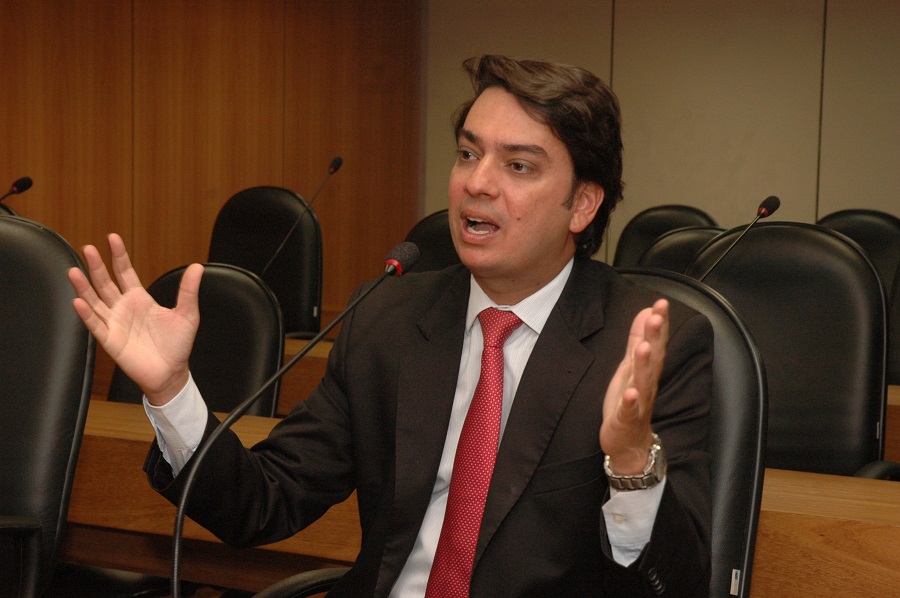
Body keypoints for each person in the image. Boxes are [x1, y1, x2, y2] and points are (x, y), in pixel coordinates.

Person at [69, 55, 713, 596]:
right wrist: (171, 390)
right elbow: (263, 502)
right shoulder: (390, 318)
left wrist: (631, 461)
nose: (477, 183)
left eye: (518, 165)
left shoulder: (652, 346)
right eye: (468, 154)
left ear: (583, 203)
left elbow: (680, 581)